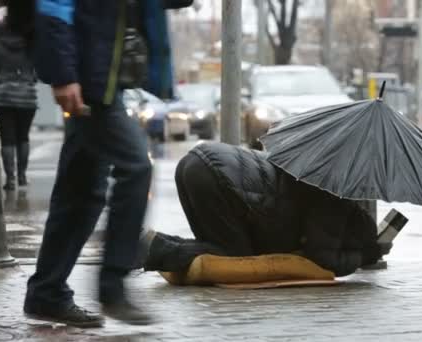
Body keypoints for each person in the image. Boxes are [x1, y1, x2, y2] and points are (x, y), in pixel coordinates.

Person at [24, 0, 193, 328]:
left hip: (105, 78)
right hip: (89, 79)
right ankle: (112, 286)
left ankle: (47, 291)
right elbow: (54, 7)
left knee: (81, 191)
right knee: (135, 166)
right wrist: (63, 74)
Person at [136, 142, 389, 278]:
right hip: (216, 178)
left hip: (199, 161)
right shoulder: (335, 200)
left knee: (212, 245)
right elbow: (322, 257)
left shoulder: (315, 165)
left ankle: (148, 242)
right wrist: (363, 257)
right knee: (234, 254)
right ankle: (146, 248)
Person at [0, 2, 37, 191]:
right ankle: (23, 177)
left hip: (2, 97)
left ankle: (11, 180)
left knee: (7, 138)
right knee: (23, 137)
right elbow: (38, 66)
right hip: (27, 96)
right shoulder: (30, 41)